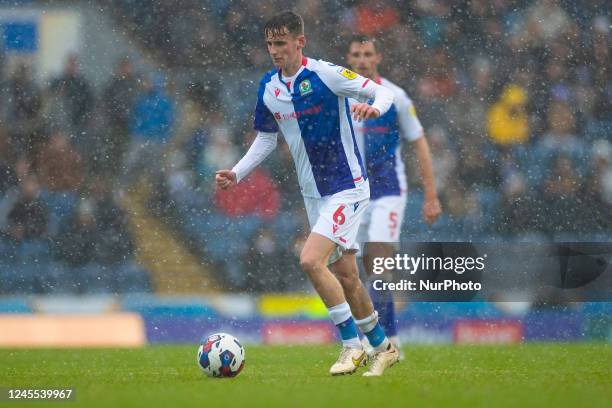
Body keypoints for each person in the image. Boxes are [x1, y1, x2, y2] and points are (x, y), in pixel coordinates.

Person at [216, 11, 399, 376]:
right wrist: (237, 172)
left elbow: (382, 91)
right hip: (314, 195)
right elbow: (266, 139)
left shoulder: (326, 75)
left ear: (301, 42)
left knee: (309, 260)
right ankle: (382, 346)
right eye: (270, 44)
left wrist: (373, 107)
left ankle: (350, 346)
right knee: (347, 275)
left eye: (281, 43)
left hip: (347, 188)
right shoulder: (269, 87)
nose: (274, 50)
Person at [346, 35, 442, 355]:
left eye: (367, 54)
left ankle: (392, 340)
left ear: (378, 58)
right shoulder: (338, 96)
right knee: (351, 268)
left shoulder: (395, 97)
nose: (362, 59)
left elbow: (420, 142)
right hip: (352, 193)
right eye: (356, 54)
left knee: (378, 262)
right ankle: (371, 337)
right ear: (348, 59)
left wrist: (431, 196)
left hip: (388, 190)